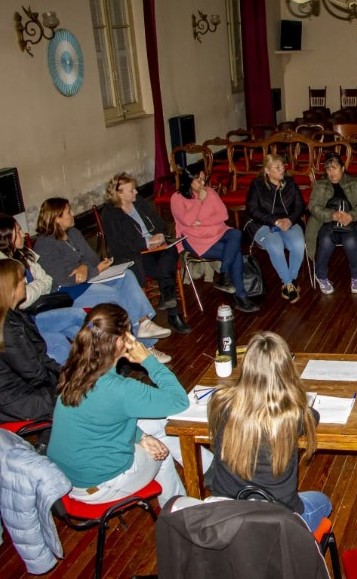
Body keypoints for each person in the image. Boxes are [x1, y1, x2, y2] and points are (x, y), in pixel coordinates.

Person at [47, 304, 190, 507]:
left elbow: (102, 418)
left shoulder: (75, 370)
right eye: (129, 333)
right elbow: (179, 401)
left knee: (157, 426)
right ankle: (178, 514)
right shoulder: (121, 389)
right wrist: (149, 361)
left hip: (67, 476)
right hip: (97, 486)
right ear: (119, 342)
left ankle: (209, 470)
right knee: (161, 450)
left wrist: (141, 437)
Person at [208, 332, 332, 531]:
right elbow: (313, 416)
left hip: (227, 515)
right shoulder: (292, 415)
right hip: (279, 520)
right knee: (324, 502)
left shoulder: (221, 402)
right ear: (287, 370)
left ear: (246, 366)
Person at [34, 198, 173, 361]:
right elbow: (65, 279)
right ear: (56, 217)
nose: (73, 214)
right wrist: (94, 270)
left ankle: (143, 323)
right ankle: (146, 347)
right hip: (68, 292)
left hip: (88, 279)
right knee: (113, 296)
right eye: (68, 211)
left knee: (127, 276)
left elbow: (92, 258)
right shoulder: (45, 245)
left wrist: (85, 267)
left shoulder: (73, 233)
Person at [101, 173, 191, 333]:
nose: (136, 192)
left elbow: (160, 224)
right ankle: (172, 311)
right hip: (137, 254)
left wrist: (160, 236)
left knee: (170, 251)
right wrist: (147, 243)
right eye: (131, 190)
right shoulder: (110, 214)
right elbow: (118, 246)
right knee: (166, 269)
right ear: (119, 193)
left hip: (158, 247)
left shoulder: (140, 203)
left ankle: (168, 297)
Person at [171, 168, 259, 313]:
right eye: (198, 180)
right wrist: (200, 200)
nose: (202, 183)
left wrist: (200, 221)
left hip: (217, 231)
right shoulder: (177, 198)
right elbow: (187, 221)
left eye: (204, 179)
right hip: (194, 239)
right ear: (188, 181)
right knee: (235, 251)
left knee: (236, 233)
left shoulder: (210, 192)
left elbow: (223, 215)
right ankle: (240, 296)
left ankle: (224, 273)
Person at [0, 214, 84, 364]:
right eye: (18, 232)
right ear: (6, 237)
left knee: (76, 329)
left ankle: (101, 368)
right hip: (28, 320)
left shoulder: (23, 253)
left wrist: (33, 287)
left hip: (44, 307)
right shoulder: (5, 267)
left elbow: (48, 279)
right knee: (74, 321)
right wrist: (37, 285)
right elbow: (22, 301)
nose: (23, 235)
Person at [305, 153, 357, 295]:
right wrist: (332, 215)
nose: (331, 173)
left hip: (353, 222)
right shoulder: (320, 184)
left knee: (350, 240)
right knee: (326, 239)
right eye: (328, 169)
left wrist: (351, 215)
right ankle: (321, 276)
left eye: (334, 168)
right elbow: (313, 206)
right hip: (326, 223)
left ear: (342, 168)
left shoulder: (355, 182)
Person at [0, 260, 59, 423]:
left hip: (24, 386)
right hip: (14, 398)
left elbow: (40, 355)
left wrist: (66, 372)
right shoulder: (6, 329)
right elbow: (34, 373)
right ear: (10, 287)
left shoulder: (15, 315)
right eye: (20, 279)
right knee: (73, 398)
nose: (25, 281)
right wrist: (65, 381)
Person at [245, 154, 305, 303]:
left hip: (288, 223)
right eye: (277, 167)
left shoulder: (290, 183)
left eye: (282, 166)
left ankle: (287, 283)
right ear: (267, 170)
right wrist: (275, 221)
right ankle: (289, 282)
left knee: (298, 244)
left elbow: (300, 206)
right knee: (276, 245)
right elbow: (252, 210)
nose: (282, 170)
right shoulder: (257, 185)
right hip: (263, 224)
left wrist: (290, 220)